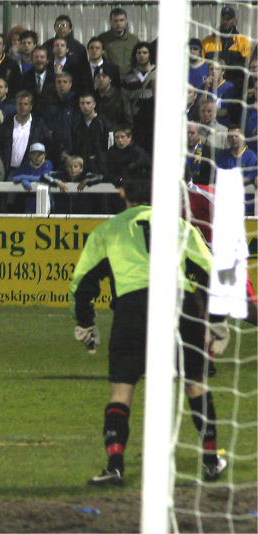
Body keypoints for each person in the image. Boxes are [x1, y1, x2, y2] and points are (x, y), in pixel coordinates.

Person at [69, 163, 227, 486]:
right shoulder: (179, 226)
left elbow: (82, 283)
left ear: (122, 192)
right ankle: (210, 460)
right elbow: (213, 270)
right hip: (177, 304)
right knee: (194, 382)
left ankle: (115, 465)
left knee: (121, 389)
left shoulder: (109, 230)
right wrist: (217, 320)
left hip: (131, 309)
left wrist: (86, 323)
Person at [96, 7, 140, 74]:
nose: (119, 23)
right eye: (116, 21)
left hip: (130, 79)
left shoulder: (134, 40)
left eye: (121, 20)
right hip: (109, 79)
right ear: (110, 22)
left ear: (126, 21)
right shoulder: (102, 39)